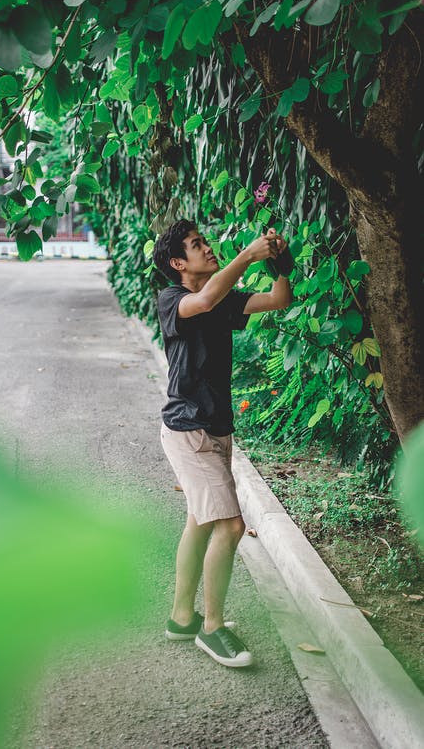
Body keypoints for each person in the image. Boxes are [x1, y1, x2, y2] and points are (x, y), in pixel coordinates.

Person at [153, 219, 292, 668]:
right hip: (187, 429)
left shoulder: (222, 297)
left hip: (215, 428)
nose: (208, 247)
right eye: (197, 245)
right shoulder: (172, 300)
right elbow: (207, 298)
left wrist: (279, 262)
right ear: (178, 263)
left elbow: (277, 299)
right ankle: (212, 628)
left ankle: (181, 619)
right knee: (229, 527)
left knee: (200, 521)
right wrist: (249, 255)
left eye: (205, 241)